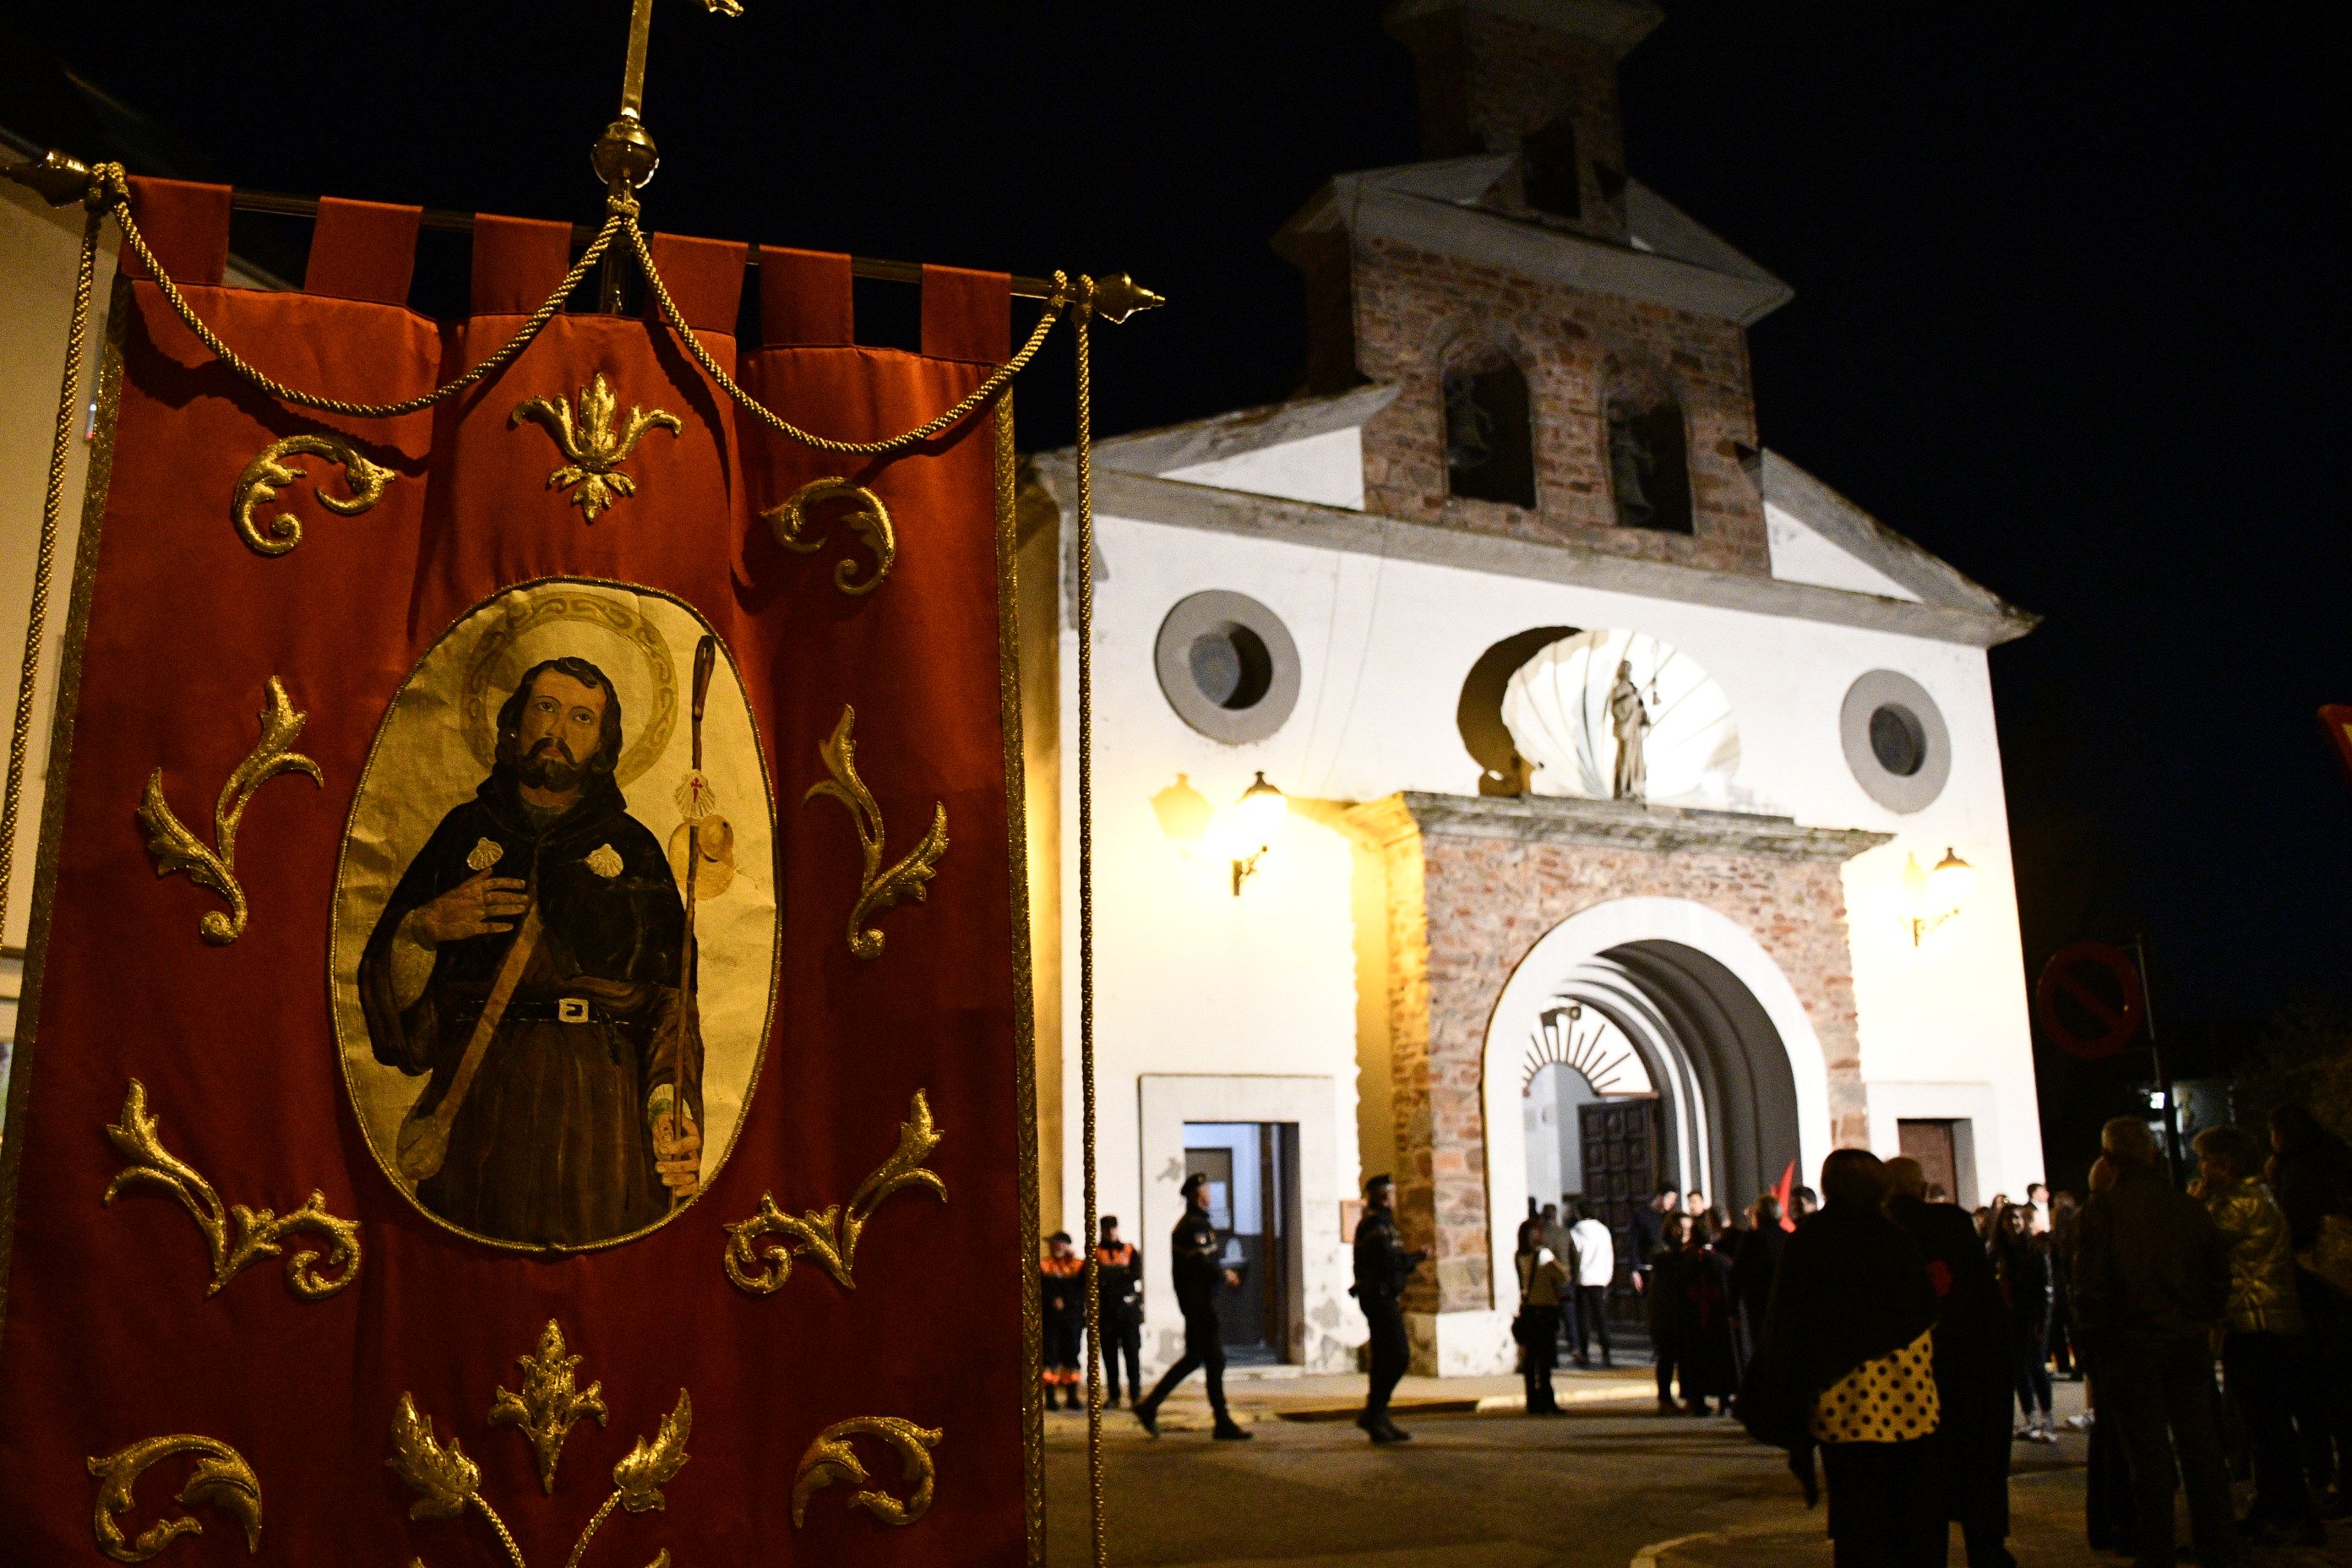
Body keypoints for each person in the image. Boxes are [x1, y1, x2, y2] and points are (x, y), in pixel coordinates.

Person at [358, 656, 705, 1247]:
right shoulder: (463, 832)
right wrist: (421, 928)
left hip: (603, 1111)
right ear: (515, 722)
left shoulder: (633, 848)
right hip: (484, 1106)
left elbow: (672, 1004)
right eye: (545, 709)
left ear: (601, 742)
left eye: (581, 718)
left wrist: (668, 1104)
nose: (558, 733)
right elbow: (399, 1032)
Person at [1742, 1150, 1945, 1565]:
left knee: (1857, 1518)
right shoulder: (1895, 1236)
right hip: (1908, 1400)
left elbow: (1787, 1321)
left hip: (1843, 1404)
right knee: (1911, 1513)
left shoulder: (1811, 1239)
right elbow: (1925, 1308)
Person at [2071, 1115, 2241, 1568]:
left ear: (2109, 1159)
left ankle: (2157, 1550)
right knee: (2201, 1448)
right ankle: (2217, 1543)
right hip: (2183, 1339)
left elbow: (2090, 1287)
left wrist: (2097, 1340)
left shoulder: (2103, 1212)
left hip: (2133, 1344)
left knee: (2146, 1455)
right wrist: (2198, 1317)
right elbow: (2217, 1274)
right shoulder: (2187, 1207)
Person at [1886, 1156, 2017, 1568]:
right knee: (1978, 1468)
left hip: (1909, 1375)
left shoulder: (1882, 1230)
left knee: (1925, 1480)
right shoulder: (1954, 1224)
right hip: (1969, 1365)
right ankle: (1987, 1550)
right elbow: (1982, 1296)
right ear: (1921, 1187)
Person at [2197, 1124, 2323, 1546]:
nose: (2202, 1169)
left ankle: (2288, 1512)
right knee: (2272, 1426)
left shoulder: (2235, 1204)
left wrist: (2197, 1204)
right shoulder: (2264, 1195)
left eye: (2207, 1161)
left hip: (2253, 1324)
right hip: (2277, 1321)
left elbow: (2198, 1245)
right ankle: (2283, 1508)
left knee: (2263, 1425)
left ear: (2226, 1165)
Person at [2268, 1104, 2352, 1514]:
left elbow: (2293, 1228)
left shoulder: (2298, 1170)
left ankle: (2336, 1480)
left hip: (2321, 1290)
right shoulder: (2337, 1158)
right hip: (2342, 1288)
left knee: (2328, 1392)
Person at [1135, 1173, 1250, 1440]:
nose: (1210, 1193)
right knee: (1213, 1359)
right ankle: (1221, 1421)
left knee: (1197, 1358)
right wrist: (1225, 1275)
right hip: (1199, 1302)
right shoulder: (1194, 1226)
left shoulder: (1195, 1224)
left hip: (1198, 1301)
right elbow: (1202, 1263)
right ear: (1199, 1195)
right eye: (1207, 1189)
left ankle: (1150, 1407)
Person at [1353, 1173, 1429, 1444]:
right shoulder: (1375, 1224)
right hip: (1379, 1297)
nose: (1396, 1198)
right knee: (1398, 1354)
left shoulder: (1383, 1223)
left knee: (1384, 1358)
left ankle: (1379, 1417)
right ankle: (1374, 1412)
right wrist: (1415, 1258)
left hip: (1383, 1296)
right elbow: (1388, 1260)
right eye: (1393, 1193)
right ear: (1385, 1197)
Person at [1991, 1204, 2056, 1442]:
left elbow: (2047, 1289)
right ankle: (2029, 1417)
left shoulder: (2037, 1248)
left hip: (2033, 1315)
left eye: (2018, 1218)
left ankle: (2047, 1418)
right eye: (2009, 1219)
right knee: (2019, 1368)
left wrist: (2043, 1322)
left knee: (2037, 1365)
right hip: (2010, 1316)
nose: (2015, 1223)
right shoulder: (1999, 1252)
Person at [1674, 1219, 1740, 1416]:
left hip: (1692, 1321)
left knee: (1695, 1358)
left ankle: (1697, 1399)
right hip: (1718, 1320)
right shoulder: (1723, 1261)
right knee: (1720, 1358)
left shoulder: (1684, 1261)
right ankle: (1724, 1399)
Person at [1516, 1221, 1571, 1414]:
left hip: (1529, 1311)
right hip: (1545, 1311)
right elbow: (1563, 1276)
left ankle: (1532, 1401)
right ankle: (1548, 1400)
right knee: (1545, 1359)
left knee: (1531, 1360)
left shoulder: (1519, 1256)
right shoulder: (1544, 1255)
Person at [1095, 1217, 1143, 1408]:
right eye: (1107, 1229)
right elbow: (1094, 1278)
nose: (1111, 1232)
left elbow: (1135, 1274)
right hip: (1106, 1311)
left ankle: (1136, 1395)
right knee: (1109, 1355)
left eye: (1113, 1228)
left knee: (1132, 1353)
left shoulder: (1129, 1250)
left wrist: (1109, 1278)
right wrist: (1120, 1275)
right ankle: (1114, 1396)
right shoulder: (1095, 1252)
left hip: (1128, 1310)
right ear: (1102, 1230)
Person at [1734, 1195, 1789, 1361]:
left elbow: (1738, 1273)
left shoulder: (1750, 1240)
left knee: (1761, 1347)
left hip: (1757, 1301)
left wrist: (1732, 1306)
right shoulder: (1787, 1238)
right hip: (1783, 1300)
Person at [1648, 1213, 1691, 1413]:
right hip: (1665, 1314)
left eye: (1688, 1228)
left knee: (1685, 1357)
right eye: (1681, 1227)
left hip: (1681, 1313)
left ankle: (1688, 1397)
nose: (1684, 1232)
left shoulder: (1685, 1253)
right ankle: (1665, 1399)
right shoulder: (1664, 1253)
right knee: (1666, 1357)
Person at [1040, 1232, 1085, 1410]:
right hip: (1051, 1318)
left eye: (1056, 1244)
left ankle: (1072, 1397)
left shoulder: (1078, 1265)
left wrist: (1066, 1300)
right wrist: (1052, 1299)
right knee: (1050, 1358)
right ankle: (1051, 1398)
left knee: (1072, 1357)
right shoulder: (1044, 1265)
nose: (1053, 1247)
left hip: (1072, 1318)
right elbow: (1040, 1286)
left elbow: (1083, 1288)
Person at [1569, 1199, 1615, 1369]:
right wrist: (1607, 1276)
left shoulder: (1575, 1232)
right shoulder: (1604, 1231)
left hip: (1582, 1279)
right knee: (1601, 1317)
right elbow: (1609, 1254)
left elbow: (1575, 1254)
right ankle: (1606, 1352)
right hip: (1600, 1278)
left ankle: (1585, 1352)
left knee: (1583, 1318)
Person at [2049, 1190, 2083, 1383]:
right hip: (2073, 1287)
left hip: (2060, 1289)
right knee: (2075, 1328)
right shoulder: (2078, 1238)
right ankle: (2080, 1363)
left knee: (2061, 1328)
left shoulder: (2052, 1238)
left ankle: (2065, 1363)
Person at [1632, 1184, 1679, 1298]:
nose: (1672, 1202)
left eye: (1674, 1199)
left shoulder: (1671, 1217)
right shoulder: (1641, 1215)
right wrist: (1634, 1270)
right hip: (1647, 1270)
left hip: (1667, 1270)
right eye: (1670, 1198)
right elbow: (1633, 1244)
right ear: (1660, 1197)